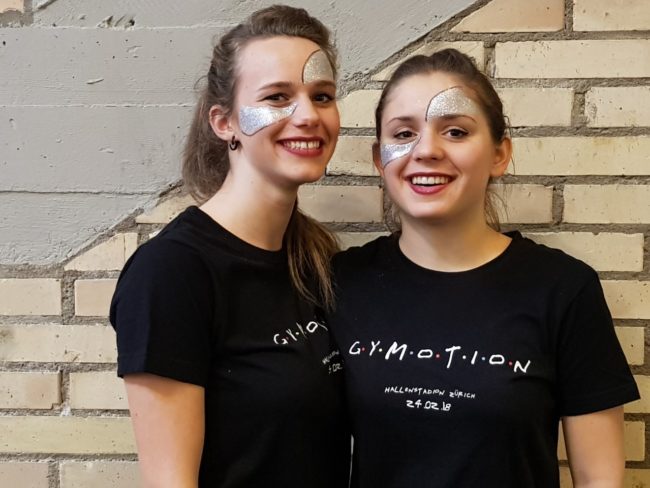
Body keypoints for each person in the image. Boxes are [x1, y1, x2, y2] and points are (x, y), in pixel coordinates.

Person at [328, 49, 639, 487]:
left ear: (499, 154)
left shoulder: (564, 288)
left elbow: (599, 480)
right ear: (380, 159)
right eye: (404, 133)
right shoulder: (341, 282)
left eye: (455, 131)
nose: (426, 150)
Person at [109, 6, 350, 487]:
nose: (308, 115)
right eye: (277, 97)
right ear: (224, 122)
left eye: (322, 96)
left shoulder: (313, 256)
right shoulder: (172, 273)